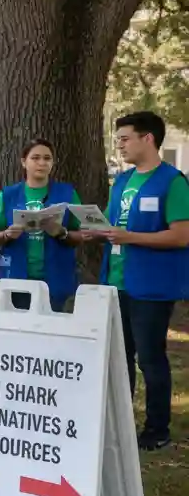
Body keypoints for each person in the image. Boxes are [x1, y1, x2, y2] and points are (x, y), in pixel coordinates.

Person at [87, 112, 189, 450]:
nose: (120, 144)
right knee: (120, 356)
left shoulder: (172, 182)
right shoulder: (122, 181)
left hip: (151, 286)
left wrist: (128, 236)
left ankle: (157, 429)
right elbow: (117, 228)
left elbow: (180, 236)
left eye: (125, 138)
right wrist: (100, 232)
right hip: (116, 282)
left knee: (149, 357)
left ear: (148, 139)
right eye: (118, 139)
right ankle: (120, 423)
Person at [0, 139, 83, 313]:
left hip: (55, 277)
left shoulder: (67, 193)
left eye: (47, 158)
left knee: (51, 331)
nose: (42, 163)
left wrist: (62, 233)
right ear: (24, 162)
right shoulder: (8, 195)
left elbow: (81, 234)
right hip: (17, 276)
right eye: (35, 158)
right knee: (20, 330)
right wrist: (7, 234)